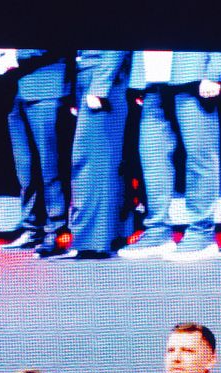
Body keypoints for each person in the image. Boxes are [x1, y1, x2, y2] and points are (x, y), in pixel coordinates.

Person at [124, 52, 221, 260]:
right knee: (152, 158)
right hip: (152, 80)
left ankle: (201, 233)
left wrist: (215, 72)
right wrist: (138, 79)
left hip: (192, 74)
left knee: (200, 157)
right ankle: (157, 231)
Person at [0, 50, 70, 253]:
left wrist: (17, 55)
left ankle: (56, 230)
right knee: (25, 169)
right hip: (15, 93)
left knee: (50, 167)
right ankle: (32, 228)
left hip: (45, 88)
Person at [57, 52, 131, 260]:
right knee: (101, 162)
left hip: (101, 78)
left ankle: (92, 242)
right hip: (90, 77)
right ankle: (106, 238)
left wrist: (99, 87)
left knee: (92, 162)